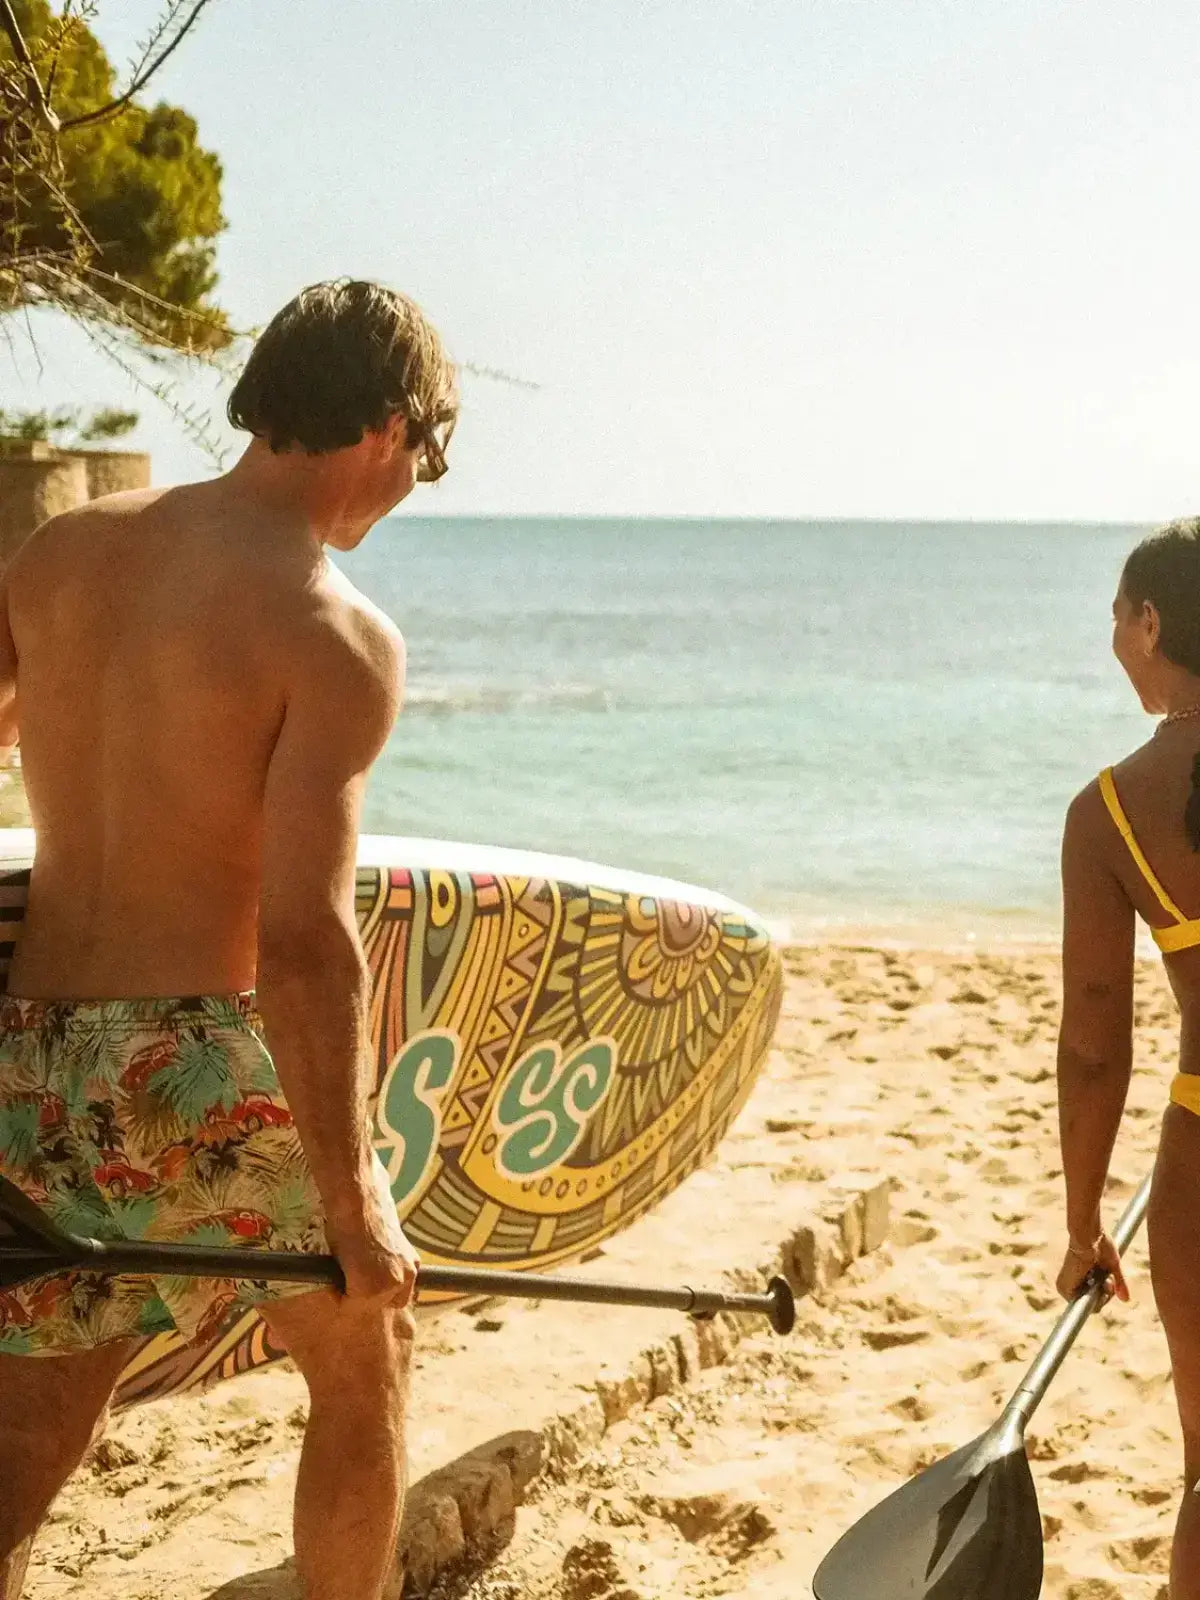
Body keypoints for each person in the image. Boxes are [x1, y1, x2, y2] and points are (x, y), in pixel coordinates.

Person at [0, 279, 458, 1600]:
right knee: (363, 1358)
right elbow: (306, 939)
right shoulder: (336, 634)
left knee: (28, 1443)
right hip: (200, 1063)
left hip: (38, 1060)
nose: (417, 485)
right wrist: (358, 1188)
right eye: (428, 456)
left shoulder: (58, 557)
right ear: (387, 428)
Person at [1056, 516, 1200, 1600]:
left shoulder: (1110, 813)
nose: (1113, 639)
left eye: (1117, 617)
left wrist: (1083, 1223)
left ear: (1151, 622)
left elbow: (1097, 1041)